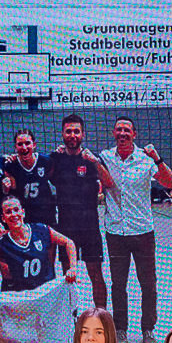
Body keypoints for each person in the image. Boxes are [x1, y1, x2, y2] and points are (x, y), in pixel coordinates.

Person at [98, 117, 172, 343]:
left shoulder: (146, 158)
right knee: (118, 284)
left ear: (134, 134)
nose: (122, 133)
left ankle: (148, 329)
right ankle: (120, 329)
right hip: (115, 231)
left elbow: (169, 183)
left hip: (142, 231)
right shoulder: (105, 157)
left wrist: (157, 158)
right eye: (119, 129)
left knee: (148, 283)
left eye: (127, 130)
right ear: (114, 133)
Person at [47, 115, 115, 313]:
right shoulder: (55, 159)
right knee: (68, 276)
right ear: (62, 134)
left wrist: (95, 162)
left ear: (83, 134)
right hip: (66, 228)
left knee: (96, 275)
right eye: (68, 131)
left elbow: (109, 183)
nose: (72, 135)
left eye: (76, 131)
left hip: (90, 227)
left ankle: (101, 315)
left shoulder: (91, 159)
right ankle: (71, 317)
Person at [0, 196, 79, 291]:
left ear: (23, 212)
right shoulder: (3, 242)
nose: (13, 214)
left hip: (46, 292)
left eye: (16, 210)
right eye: (8, 212)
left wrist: (73, 268)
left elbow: (69, 242)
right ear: (3, 218)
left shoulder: (41, 229)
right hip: (24, 296)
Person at [4, 129, 59, 228]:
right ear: (15, 147)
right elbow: (11, 192)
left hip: (46, 213)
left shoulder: (46, 161)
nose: (24, 147)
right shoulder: (11, 166)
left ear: (34, 145)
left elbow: (54, 179)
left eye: (27, 143)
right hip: (25, 216)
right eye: (20, 144)